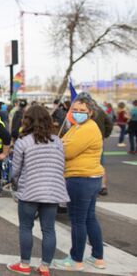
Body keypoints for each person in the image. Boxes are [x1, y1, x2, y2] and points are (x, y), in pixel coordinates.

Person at [7, 105, 70, 276]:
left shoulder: (23, 142)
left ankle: (25, 265)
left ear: (26, 121)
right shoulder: (57, 141)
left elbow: (16, 170)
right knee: (49, 229)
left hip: (30, 191)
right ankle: (44, 267)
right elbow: (61, 165)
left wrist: (14, 180)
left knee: (26, 228)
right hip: (53, 191)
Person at [54, 96, 106, 271]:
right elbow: (63, 143)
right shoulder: (80, 127)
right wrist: (62, 143)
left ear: (91, 112)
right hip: (89, 177)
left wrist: (62, 145)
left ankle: (76, 259)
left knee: (77, 221)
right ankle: (97, 257)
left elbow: (66, 150)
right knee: (89, 218)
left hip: (80, 178)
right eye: (74, 110)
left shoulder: (87, 129)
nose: (77, 113)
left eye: (82, 111)